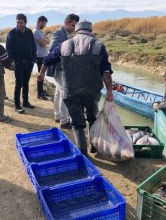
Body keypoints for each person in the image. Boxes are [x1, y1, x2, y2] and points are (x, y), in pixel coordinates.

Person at [38, 20, 113, 155]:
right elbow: (106, 71)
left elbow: (48, 59)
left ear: (76, 30)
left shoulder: (65, 44)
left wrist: (41, 73)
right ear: (90, 31)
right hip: (92, 91)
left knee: (77, 122)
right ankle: (94, 146)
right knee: (92, 117)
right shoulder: (98, 45)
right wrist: (109, 90)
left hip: (70, 90)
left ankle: (82, 151)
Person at [48, 14, 79, 129]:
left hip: (59, 68)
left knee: (58, 92)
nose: (74, 28)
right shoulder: (59, 33)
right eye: (72, 25)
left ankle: (57, 116)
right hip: (60, 68)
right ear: (66, 23)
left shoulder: (64, 33)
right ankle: (64, 121)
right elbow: (53, 50)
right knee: (65, 94)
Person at [6, 13, 37, 114]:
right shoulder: (12, 33)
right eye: (18, 22)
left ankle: (25, 101)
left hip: (29, 62)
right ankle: (17, 105)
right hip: (18, 63)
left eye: (21, 22)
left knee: (26, 83)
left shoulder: (29, 32)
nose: (19, 24)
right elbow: (8, 49)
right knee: (18, 83)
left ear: (25, 22)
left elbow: (33, 46)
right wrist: (12, 61)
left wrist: (34, 58)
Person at [33, 16, 49, 100]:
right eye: (45, 23)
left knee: (42, 74)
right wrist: (45, 41)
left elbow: (46, 41)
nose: (45, 25)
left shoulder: (40, 31)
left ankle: (41, 91)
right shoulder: (36, 32)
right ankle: (39, 93)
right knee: (40, 74)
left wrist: (45, 41)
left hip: (42, 55)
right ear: (40, 22)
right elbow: (44, 44)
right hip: (39, 56)